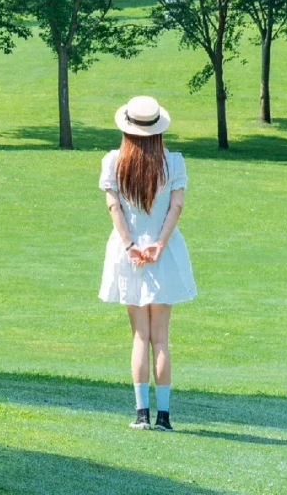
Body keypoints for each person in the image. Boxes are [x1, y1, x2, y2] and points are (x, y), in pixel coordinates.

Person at [99, 95, 196, 431]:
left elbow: (115, 210)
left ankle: (141, 415)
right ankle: (164, 417)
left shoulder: (113, 161)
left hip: (130, 254)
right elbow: (176, 208)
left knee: (140, 336)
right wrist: (159, 244)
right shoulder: (174, 162)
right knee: (161, 338)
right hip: (163, 253)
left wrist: (130, 246)